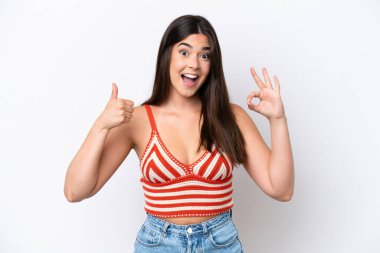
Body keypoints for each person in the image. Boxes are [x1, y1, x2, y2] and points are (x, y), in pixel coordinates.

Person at [64, 14, 294, 253]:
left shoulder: (231, 117)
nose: (194, 64)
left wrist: (278, 120)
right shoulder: (138, 120)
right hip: (157, 245)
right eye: (184, 52)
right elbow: (75, 191)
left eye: (204, 55)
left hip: (221, 244)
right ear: (167, 56)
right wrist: (100, 126)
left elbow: (281, 190)